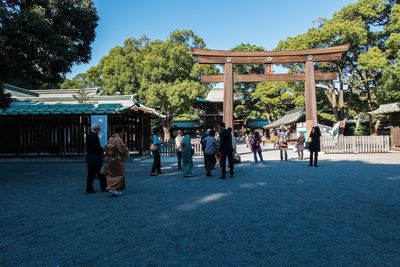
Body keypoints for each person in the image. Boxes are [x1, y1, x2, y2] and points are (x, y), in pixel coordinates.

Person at [104, 126, 129, 197]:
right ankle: (112, 188)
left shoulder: (110, 138)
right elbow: (121, 149)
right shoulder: (118, 140)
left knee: (112, 174)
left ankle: (115, 187)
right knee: (120, 174)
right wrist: (126, 150)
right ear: (121, 132)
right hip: (116, 159)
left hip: (110, 158)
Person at [85, 124, 107, 194]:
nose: (99, 131)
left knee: (90, 175)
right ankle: (104, 187)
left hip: (90, 158)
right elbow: (96, 147)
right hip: (96, 159)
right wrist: (102, 149)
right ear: (96, 129)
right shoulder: (94, 136)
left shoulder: (88, 135)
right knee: (101, 174)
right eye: (99, 129)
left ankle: (89, 188)